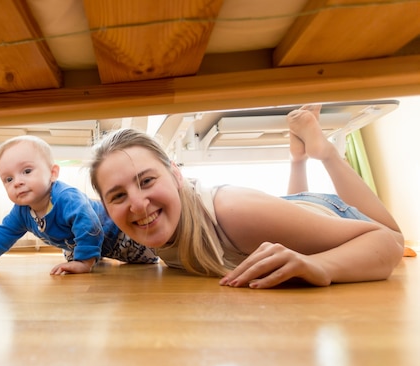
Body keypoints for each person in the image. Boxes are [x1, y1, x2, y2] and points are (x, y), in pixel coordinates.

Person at [88, 104, 405, 289]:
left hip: (334, 214)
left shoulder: (232, 211)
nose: (138, 204)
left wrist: (320, 265)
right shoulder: (152, 227)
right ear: (105, 206)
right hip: (288, 211)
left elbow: (388, 243)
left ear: (176, 174)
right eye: (118, 196)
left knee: (395, 231)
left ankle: (324, 152)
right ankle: (298, 157)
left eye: (146, 180)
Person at [0, 135, 157, 276]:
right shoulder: (22, 211)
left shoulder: (66, 197)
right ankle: (91, 255)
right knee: (71, 255)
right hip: (93, 246)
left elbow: (89, 224)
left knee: (149, 254)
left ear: (53, 173)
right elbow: (3, 233)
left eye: (26, 171)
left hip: (121, 234)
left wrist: (83, 262)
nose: (17, 182)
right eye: (8, 179)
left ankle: (92, 255)